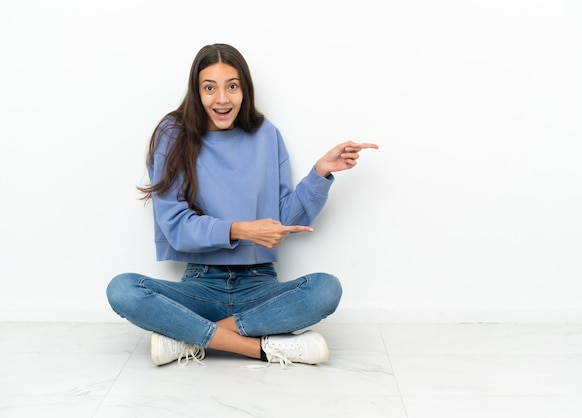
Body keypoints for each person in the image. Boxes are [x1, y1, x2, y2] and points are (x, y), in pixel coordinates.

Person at [106, 43, 378, 368]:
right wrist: (240, 230)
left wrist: (321, 172)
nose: (222, 99)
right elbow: (176, 227)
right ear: (196, 91)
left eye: (231, 86)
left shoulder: (266, 135)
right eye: (210, 88)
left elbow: (283, 220)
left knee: (325, 290)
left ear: (244, 90)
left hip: (258, 284)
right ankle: (262, 349)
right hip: (199, 286)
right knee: (122, 289)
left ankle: (188, 338)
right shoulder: (173, 134)